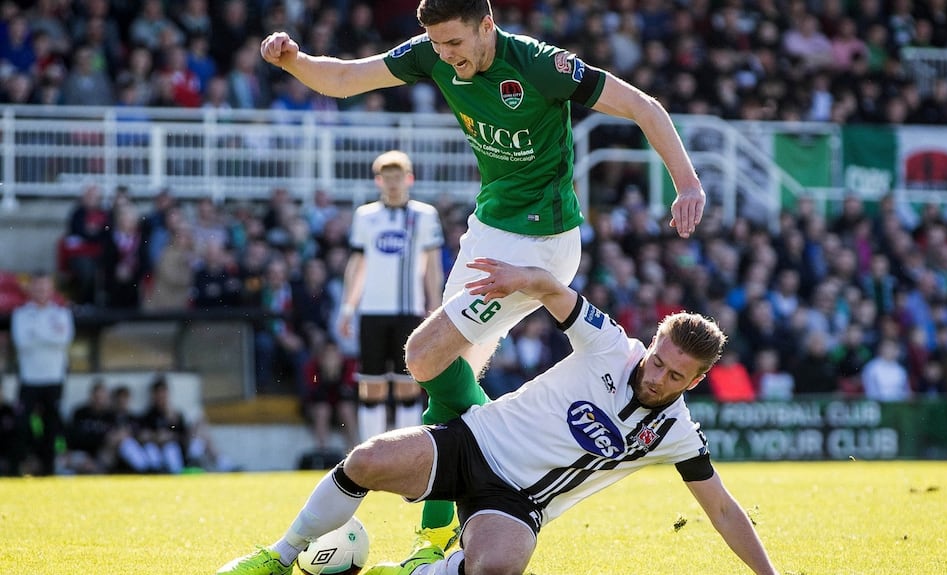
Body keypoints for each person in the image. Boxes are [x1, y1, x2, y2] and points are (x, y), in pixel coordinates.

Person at [260, 0, 707, 552]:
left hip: (542, 245)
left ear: (487, 27)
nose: (445, 57)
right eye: (438, 46)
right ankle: (443, 531)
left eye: (455, 44)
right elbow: (348, 78)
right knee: (446, 379)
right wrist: (295, 60)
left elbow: (645, 106)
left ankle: (488, 472)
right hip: (487, 230)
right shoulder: (432, 54)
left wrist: (686, 184)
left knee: (426, 357)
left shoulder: (542, 65)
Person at [215, 259, 776, 575]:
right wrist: (520, 279)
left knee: (496, 569)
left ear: (696, 381)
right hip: (475, 440)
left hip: (518, 503)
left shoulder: (676, 433)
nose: (657, 377)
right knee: (366, 460)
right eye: (658, 360)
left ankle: (418, 573)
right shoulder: (609, 344)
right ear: (651, 343)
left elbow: (723, 510)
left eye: (675, 376)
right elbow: (556, 290)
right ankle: (280, 556)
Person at [338, 150, 444, 442]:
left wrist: (434, 306)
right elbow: (357, 265)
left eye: (398, 177)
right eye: (387, 178)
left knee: (407, 384)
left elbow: (432, 266)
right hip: (372, 311)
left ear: (409, 179)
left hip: (409, 310)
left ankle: (404, 449)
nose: (393, 183)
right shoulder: (366, 216)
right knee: (371, 384)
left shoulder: (424, 215)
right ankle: (369, 452)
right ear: (378, 181)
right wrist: (348, 308)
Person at [11, 272, 75, 476]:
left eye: (45, 287)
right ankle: (18, 468)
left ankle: (48, 470)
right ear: (30, 289)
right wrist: (49, 336)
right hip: (29, 379)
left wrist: (37, 334)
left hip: (54, 378)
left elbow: (63, 340)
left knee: (51, 426)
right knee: (21, 426)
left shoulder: (61, 313)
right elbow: (22, 342)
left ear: (52, 289)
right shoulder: (21, 314)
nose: (41, 291)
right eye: (37, 287)